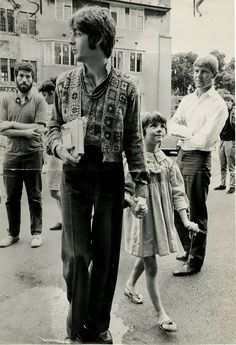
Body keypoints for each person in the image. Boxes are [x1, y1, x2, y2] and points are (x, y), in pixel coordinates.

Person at [46, 6, 148, 344]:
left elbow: (134, 142)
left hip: (109, 176)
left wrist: (141, 188)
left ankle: (98, 324)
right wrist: (60, 150)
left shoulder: (128, 88)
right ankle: (76, 327)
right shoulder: (63, 83)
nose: (72, 39)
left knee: (105, 257)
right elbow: (52, 130)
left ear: (98, 38)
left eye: (77, 33)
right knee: (76, 256)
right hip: (74, 174)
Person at [123, 112, 200, 334]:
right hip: (143, 219)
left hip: (160, 218)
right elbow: (124, 191)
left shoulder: (168, 163)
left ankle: (129, 285)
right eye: (154, 126)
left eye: (162, 126)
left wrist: (186, 221)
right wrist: (134, 202)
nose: (160, 130)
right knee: (152, 265)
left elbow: (178, 194)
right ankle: (161, 314)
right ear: (143, 131)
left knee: (149, 253)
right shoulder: (135, 162)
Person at [168, 54, 228, 276]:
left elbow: (204, 140)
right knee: (177, 205)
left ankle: (195, 261)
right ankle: (188, 249)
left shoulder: (218, 105)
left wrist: (184, 133)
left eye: (204, 71)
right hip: (182, 154)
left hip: (198, 159)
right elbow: (171, 124)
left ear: (214, 75)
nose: (199, 76)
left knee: (196, 211)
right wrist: (189, 132)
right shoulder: (187, 100)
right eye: (196, 71)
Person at [0, 61, 46, 248]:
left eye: (28, 76)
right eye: (21, 75)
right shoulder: (5, 100)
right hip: (11, 155)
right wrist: (25, 132)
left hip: (33, 154)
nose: (24, 79)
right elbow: (1, 128)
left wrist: (12, 124)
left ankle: (36, 233)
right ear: (16, 77)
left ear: (32, 80)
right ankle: (13, 233)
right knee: (11, 198)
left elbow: (41, 128)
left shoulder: (39, 100)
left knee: (34, 196)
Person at [38, 77, 63, 230]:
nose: (44, 99)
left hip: (57, 153)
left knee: (55, 191)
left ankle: (67, 217)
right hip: (51, 154)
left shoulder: (57, 109)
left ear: (52, 93)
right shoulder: (52, 109)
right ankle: (64, 218)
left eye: (45, 95)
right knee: (56, 190)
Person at [214, 94, 235, 194]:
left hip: (230, 141)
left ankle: (232, 186)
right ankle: (223, 184)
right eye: (225, 101)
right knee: (222, 165)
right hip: (222, 141)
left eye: (228, 101)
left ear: (232, 102)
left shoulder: (233, 113)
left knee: (231, 165)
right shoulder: (222, 113)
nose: (226, 103)